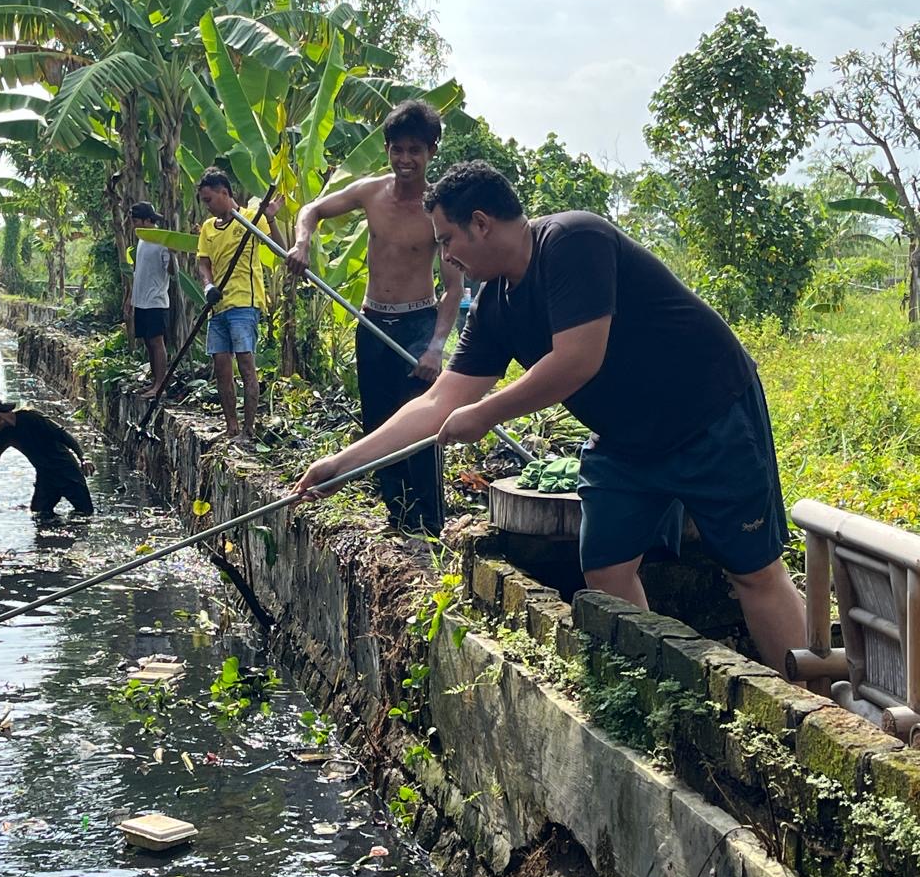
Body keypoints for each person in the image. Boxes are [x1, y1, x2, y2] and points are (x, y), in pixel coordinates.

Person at [295, 160, 806, 677]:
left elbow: (577, 360)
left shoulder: (572, 240)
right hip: (627, 442)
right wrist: (341, 464)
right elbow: (437, 402)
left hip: (710, 414)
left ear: (481, 223)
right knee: (606, 572)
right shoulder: (495, 306)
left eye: (447, 240)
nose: (445, 256)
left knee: (752, 571)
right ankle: (650, 688)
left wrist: (485, 412)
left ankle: (817, 699)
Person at [287, 100, 462, 536]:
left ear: (431, 151)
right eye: (397, 149)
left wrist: (435, 348)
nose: (405, 160)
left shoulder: (439, 209)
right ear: (387, 149)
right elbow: (311, 210)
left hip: (418, 324)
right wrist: (302, 243)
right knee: (378, 422)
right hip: (371, 322)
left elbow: (454, 288)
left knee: (420, 424)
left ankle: (429, 523)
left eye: (415, 150)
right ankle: (397, 516)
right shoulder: (371, 192)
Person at [195, 168, 282, 443]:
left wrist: (270, 218)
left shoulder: (250, 219)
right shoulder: (208, 229)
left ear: (224, 193)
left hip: (244, 303)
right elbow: (204, 262)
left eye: (209, 200)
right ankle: (231, 426)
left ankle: (249, 429)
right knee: (222, 367)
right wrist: (208, 286)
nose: (207, 206)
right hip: (218, 306)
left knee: (245, 364)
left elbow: (280, 249)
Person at [0, 395, 95, 517]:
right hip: (45, 476)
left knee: (85, 513)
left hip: (68, 472)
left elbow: (62, 434)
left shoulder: (31, 417)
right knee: (39, 515)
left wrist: (83, 457)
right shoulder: (5, 435)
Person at [126, 201, 176, 397]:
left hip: (156, 300)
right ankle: (154, 381)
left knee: (157, 341)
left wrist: (172, 254)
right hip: (141, 300)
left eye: (136, 221)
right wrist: (130, 297)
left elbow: (171, 271)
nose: (134, 225)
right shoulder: (142, 240)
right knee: (148, 342)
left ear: (147, 220)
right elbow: (138, 270)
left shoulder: (161, 240)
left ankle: (160, 385)